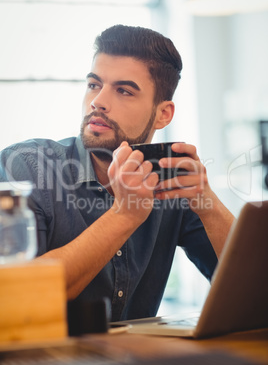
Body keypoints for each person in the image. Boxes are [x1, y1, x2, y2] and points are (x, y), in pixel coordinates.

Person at [0, 25, 234, 322]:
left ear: (163, 114)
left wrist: (209, 206)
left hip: (138, 364)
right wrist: (124, 215)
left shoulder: (172, 182)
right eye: (94, 85)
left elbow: (254, 291)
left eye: (123, 90)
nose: (98, 101)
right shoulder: (27, 167)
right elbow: (18, 295)